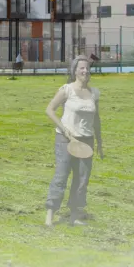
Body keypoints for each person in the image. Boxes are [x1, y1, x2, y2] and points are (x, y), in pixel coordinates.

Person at [44, 55, 103, 226]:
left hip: (87, 141)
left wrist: (99, 142)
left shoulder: (94, 93)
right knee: (61, 176)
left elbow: (96, 119)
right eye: (81, 68)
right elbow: (50, 110)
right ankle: (50, 214)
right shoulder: (67, 89)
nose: (85, 71)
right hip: (65, 140)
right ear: (75, 71)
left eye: (87, 68)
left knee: (82, 179)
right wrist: (64, 129)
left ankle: (74, 216)